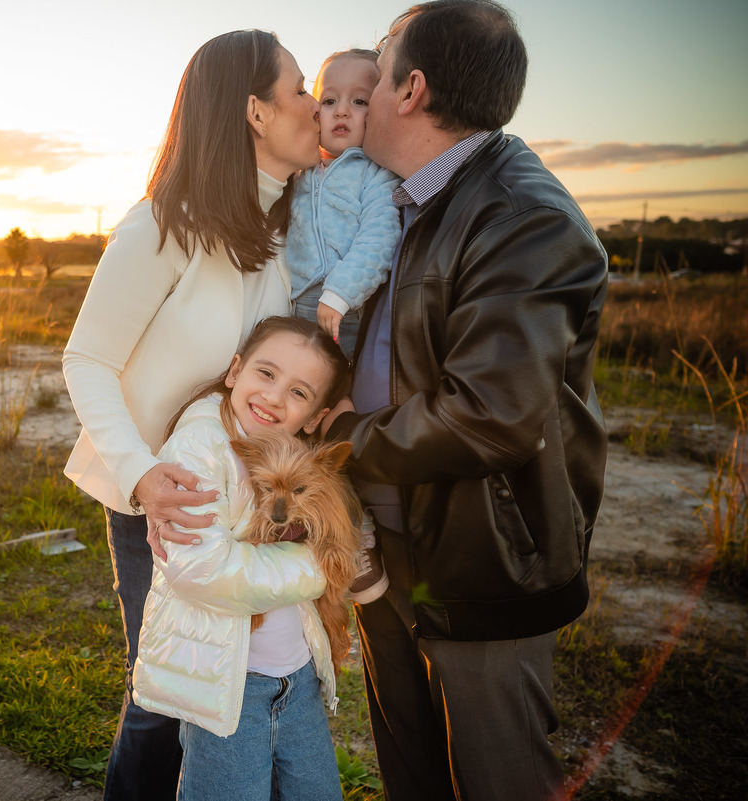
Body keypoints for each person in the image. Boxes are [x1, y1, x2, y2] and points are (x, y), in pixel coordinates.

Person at [321, 2, 610, 800]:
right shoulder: (409, 199)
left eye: (374, 78)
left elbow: (490, 412)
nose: (360, 99)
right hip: (394, 549)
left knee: (493, 781)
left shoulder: (522, 217)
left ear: (411, 90)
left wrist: (345, 435)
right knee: (413, 776)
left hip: (482, 563)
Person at [60, 29, 320, 800]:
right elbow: (86, 361)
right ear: (254, 112)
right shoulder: (162, 224)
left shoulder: (284, 230)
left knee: (230, 690)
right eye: (301, 90)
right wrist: (141, 477)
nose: (315, 107)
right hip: (161, 495)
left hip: (244, 496)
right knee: (164, 699)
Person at [132, 316, 351, 801]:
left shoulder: (298, 455)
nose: (274, 398)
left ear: (316, 416)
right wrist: (325, 568)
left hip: (297, 678)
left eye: (299, 393)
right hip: (228, 686)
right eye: (266, 374)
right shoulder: (199, 448)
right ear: (234, 371)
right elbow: (203, 570)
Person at [285, 47, 403, 604]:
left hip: (343, 325)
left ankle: (356, 538)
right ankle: (294, 530)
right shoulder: (305, 170)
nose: (339, 111)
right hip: (294, 322)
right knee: (291, 431)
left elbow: (380, 239)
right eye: (328, 98)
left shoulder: (374, 178)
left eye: (359, 101)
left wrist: (340, 293)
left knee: (332, 434)